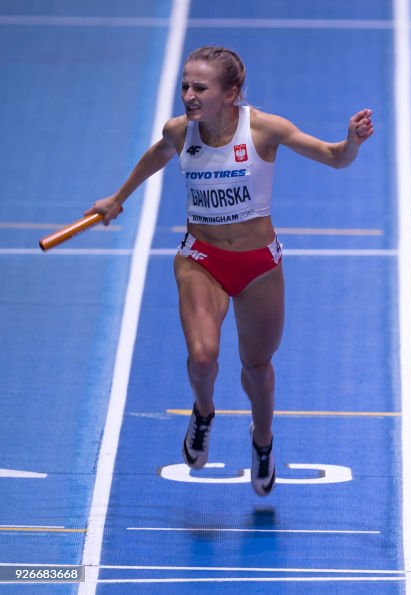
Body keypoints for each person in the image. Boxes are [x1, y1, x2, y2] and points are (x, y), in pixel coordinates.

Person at [85, 46, 374, 496]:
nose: (188, 95)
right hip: (202, 258)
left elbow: (334, 158)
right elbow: (158, 154)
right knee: (203, 357)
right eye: (185, 85)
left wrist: (351, 141)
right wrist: (118, 197)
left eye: (200, 87)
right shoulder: (181, 132)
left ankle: (262, 441)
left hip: (259, 265)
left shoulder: (264, 129)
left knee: (257, 367)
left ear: (232, 93)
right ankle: (203, 413)